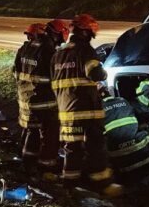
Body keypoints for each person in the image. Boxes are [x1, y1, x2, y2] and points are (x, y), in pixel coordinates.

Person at [50, 14, 121, 197]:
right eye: (91, 31)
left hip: (66, 111)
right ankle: (103, 185)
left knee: (72, 149)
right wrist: (103, 74)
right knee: (96, 148)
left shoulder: (58, 54)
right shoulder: (85, 50)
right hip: (87, 110)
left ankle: (70, 187)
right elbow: (96, 74)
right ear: (85, 31)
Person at [13, 23, 60, 182]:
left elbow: (15, 72)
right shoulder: (47, 50)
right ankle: (45, 170)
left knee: (30, 131)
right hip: (43, 100)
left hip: (26, 98)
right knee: (50, 135)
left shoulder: (23, 49)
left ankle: (27, 165)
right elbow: (55, 77)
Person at [99, 85, 149, 185]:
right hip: (143, 153)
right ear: (109, 92)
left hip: (120, 158)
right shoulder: (123, 101)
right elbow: (140, 120)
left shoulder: (98, 110)